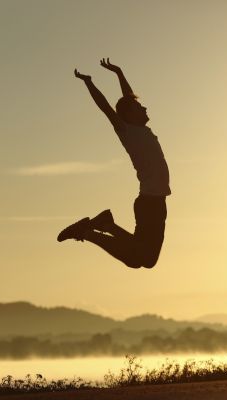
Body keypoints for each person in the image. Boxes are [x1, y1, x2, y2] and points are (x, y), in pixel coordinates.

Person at [57, 58, 170, 269]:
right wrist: (89, 83)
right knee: (144, 259)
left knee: (142, 258)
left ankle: (104, 225)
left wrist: (119, 72)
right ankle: (92, 231)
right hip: (150, 202)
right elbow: (106, 108)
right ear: (130, 115)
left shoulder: (141, 130)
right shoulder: (128, 131)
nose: (144, 107)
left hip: (155, 201)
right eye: (139, 107)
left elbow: (128, 98)